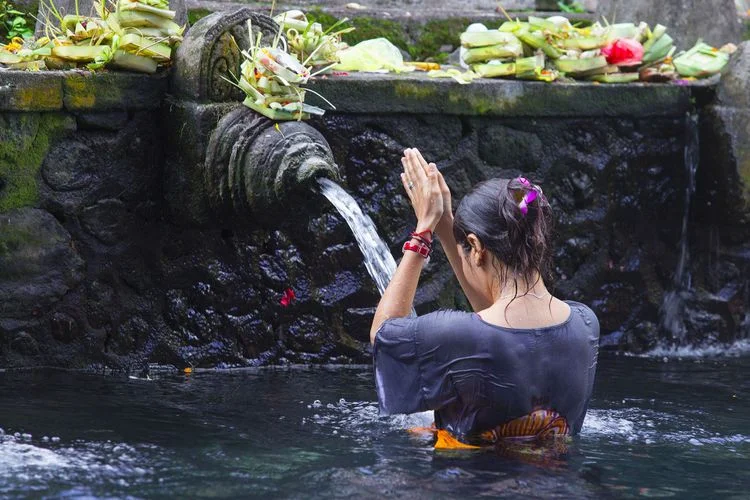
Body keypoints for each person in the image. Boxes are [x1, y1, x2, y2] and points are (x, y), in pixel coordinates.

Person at [369, 148, 599, 449]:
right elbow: (498, 323)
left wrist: (424, 231)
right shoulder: (585, 324)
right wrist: (446, 224)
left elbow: (383, 335)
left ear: (476, 248)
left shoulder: (456, 335)